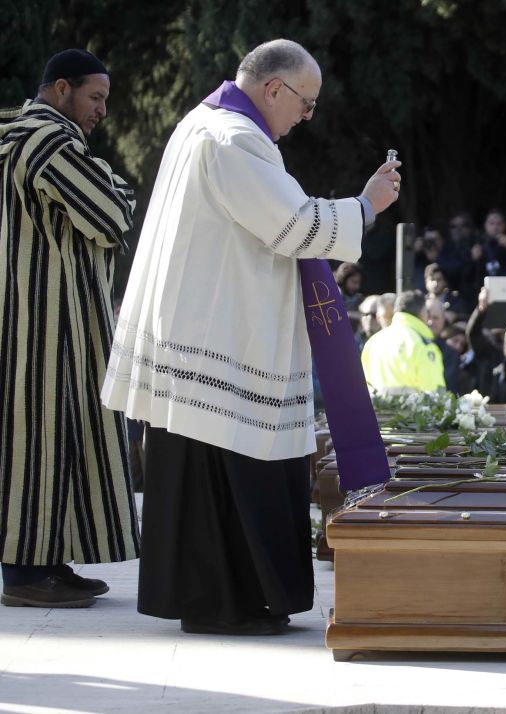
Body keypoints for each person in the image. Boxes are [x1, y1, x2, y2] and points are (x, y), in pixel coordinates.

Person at [102, 39, 402, 635]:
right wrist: (366, 207)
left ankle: (220, 599)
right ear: (274, 88)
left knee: (209, 472)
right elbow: (293, 225)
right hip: (225, 340)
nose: (306, 117)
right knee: (236, 469)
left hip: (204, 330)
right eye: (306, 104)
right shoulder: (234, 139)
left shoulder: (202, 123)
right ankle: (230, 602)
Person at [0, 49, 139, 609]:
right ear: (61, 89)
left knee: (47, 441)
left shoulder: (26, 136)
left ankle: (46, 560)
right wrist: (112, 183)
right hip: (40, 323)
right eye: (95, 97)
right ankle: (25, 575)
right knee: (35, 441)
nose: (102, 110)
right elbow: (112, 211)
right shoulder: (46, 139)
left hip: (38, 315)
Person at [363, 290, 446, 394]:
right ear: (422, 312)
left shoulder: (372, 342)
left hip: (376, 409)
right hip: (412, 410)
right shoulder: (422, 344)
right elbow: (435, 395)